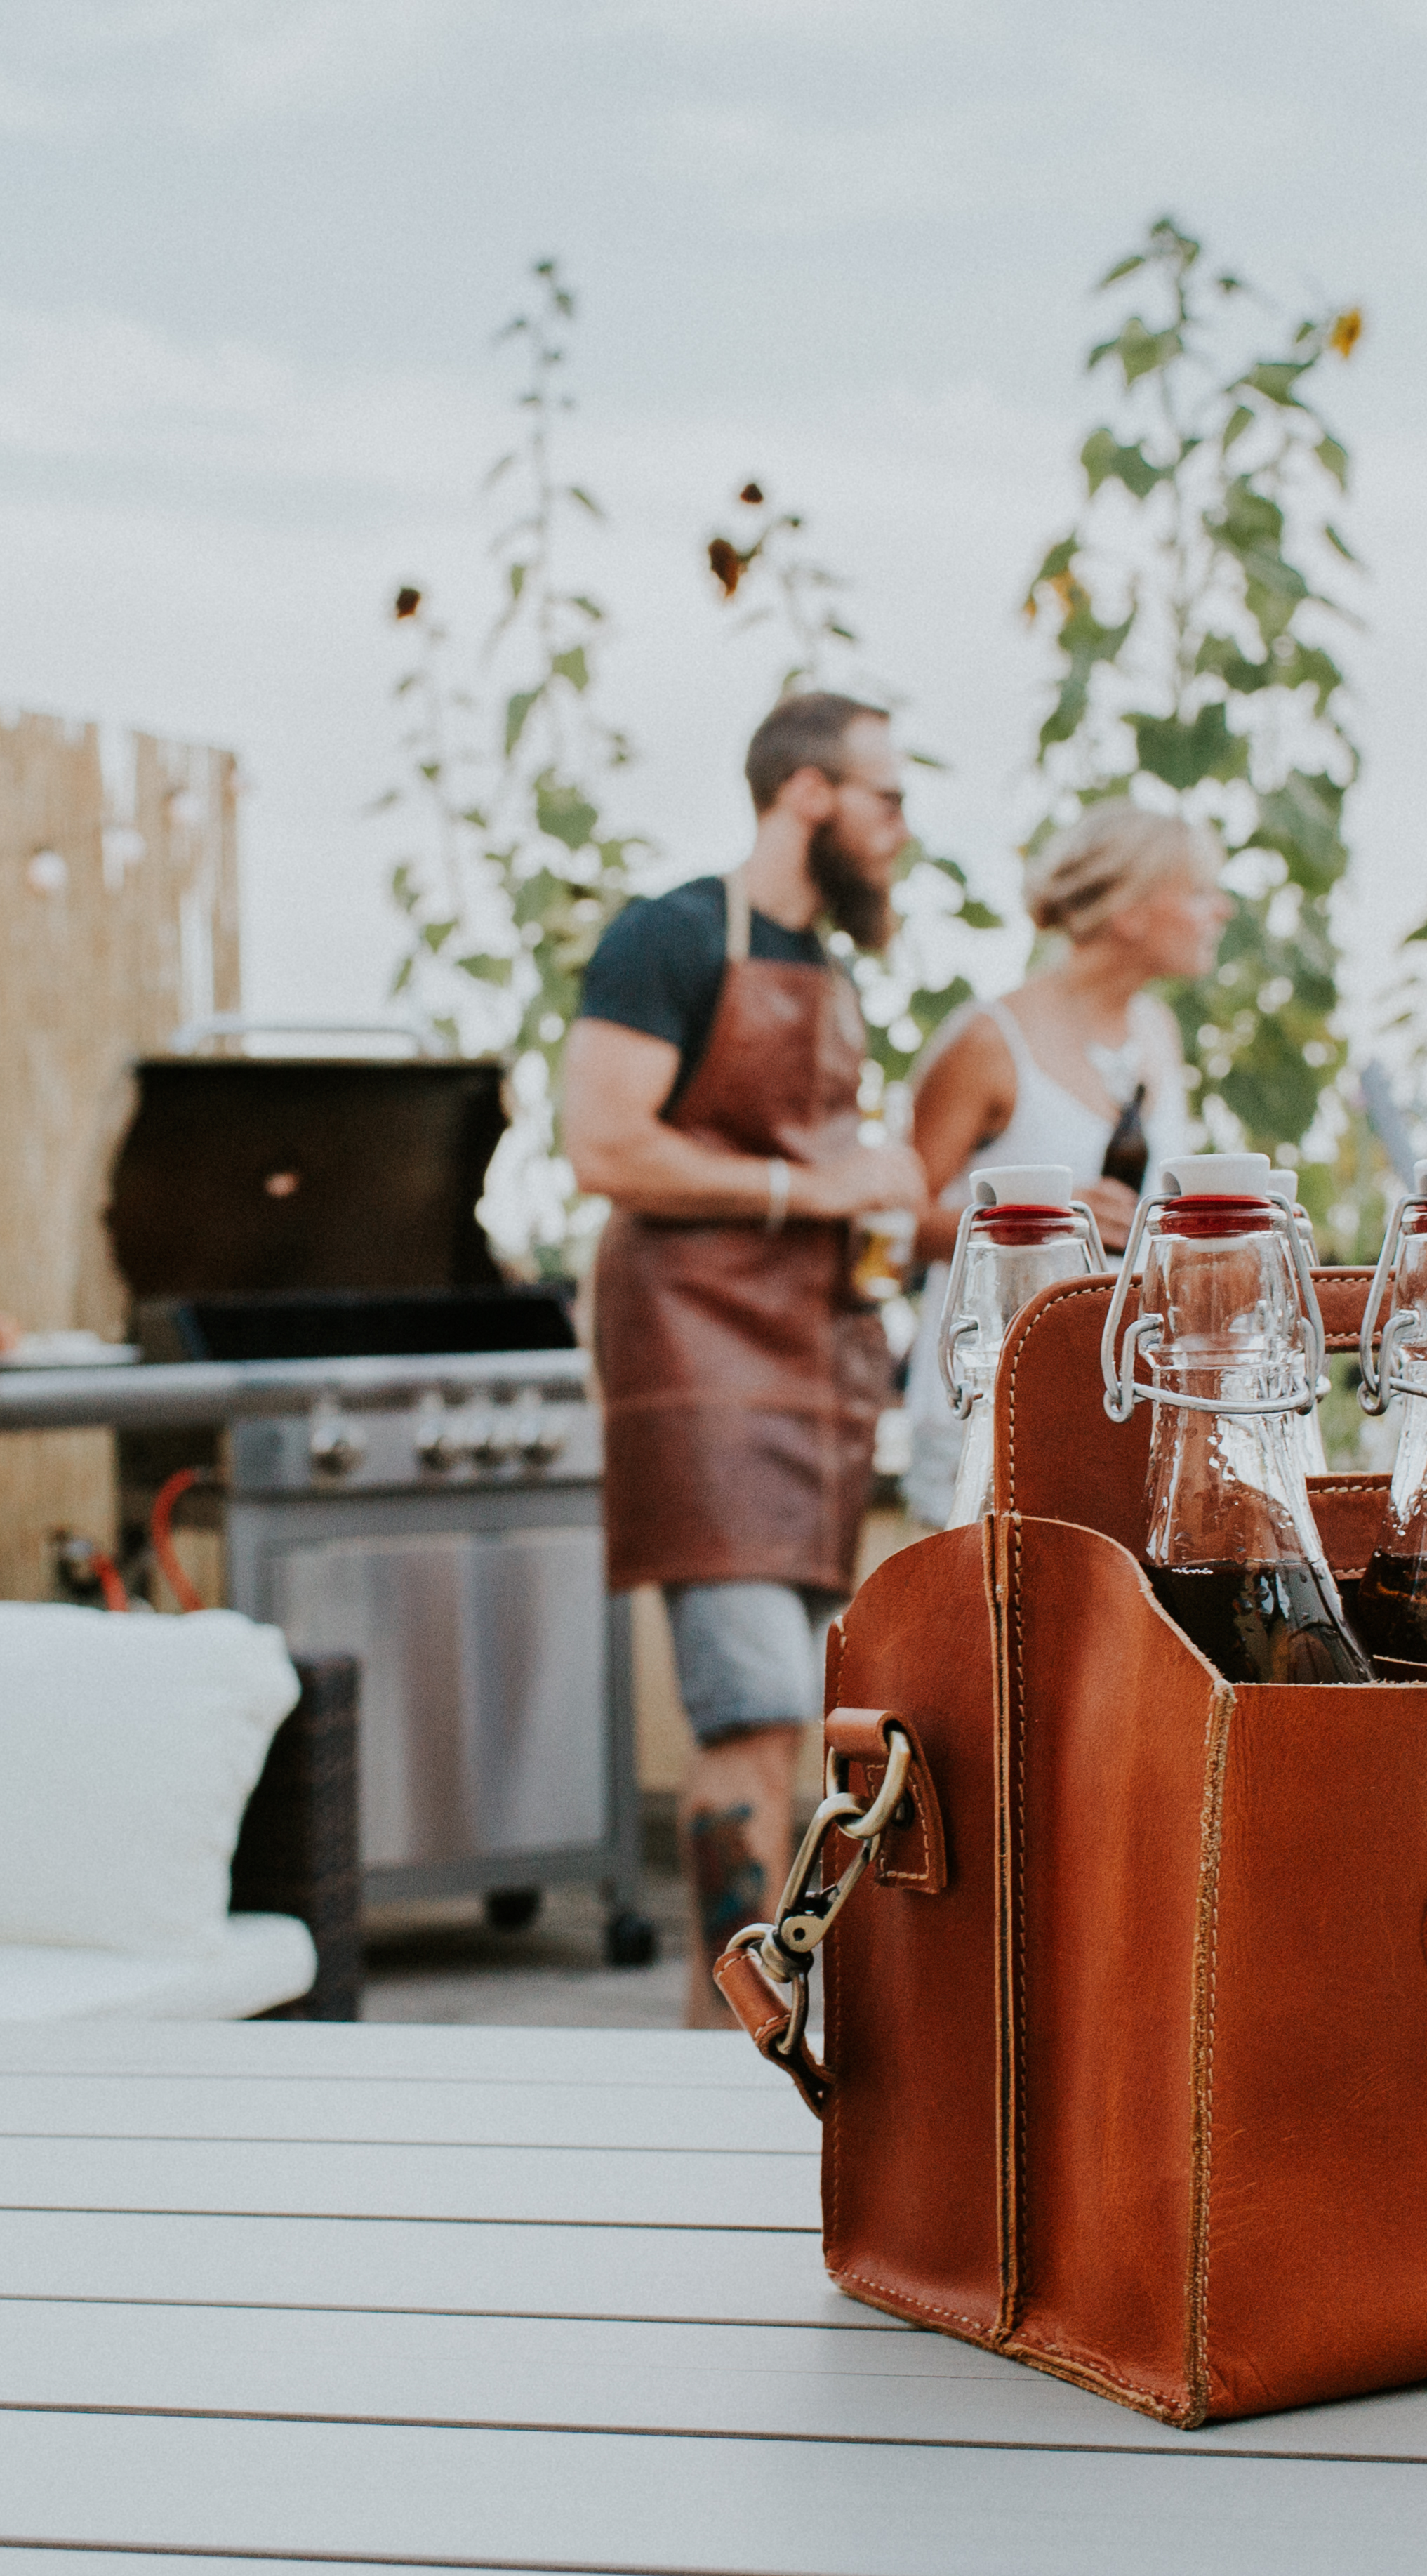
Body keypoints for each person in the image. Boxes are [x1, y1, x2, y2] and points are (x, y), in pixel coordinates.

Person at [564, 691, 922, 2023]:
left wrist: (865, 1184)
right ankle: (725, 2028)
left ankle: (764, 2012)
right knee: (752, 1710)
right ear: (809, 794)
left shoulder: (824, 966)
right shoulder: (669, 934)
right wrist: (808, 1194)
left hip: (813, 1367)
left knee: (801, 1712)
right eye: (885, 796)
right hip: (697, 1356)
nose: (901, 826)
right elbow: (604, 1143)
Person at [896, 802, 1221, 1520]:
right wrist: (1041, 1222)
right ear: (1129, 910)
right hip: (991, 1412)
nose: (1218, 912)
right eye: (1198, 892)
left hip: (1118, 1403)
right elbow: (887, 1226)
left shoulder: (1156, 1033)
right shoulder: (987, 1041)